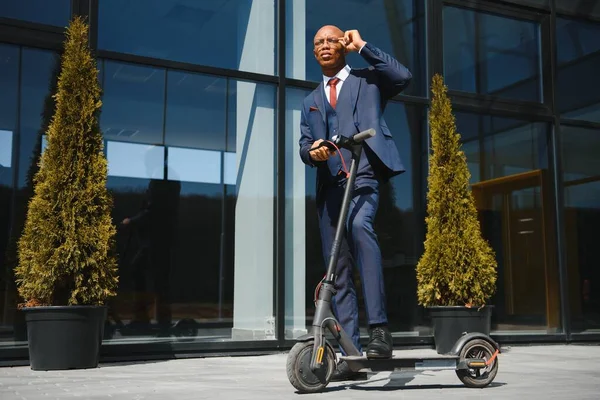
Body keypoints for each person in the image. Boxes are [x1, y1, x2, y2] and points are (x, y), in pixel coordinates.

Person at [299, 25, 412, 381]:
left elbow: (402, 75)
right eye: (318, 43)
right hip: (329, 189)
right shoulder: (310, 100)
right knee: (338, 267)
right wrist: (312, 152)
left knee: (361, 228)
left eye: (331, 40)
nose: (325, 46)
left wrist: (362, 45)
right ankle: (350, 351)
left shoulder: (369, 80)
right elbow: (304, 143)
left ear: (343, 46)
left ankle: (380, 329)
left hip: (362, 177)